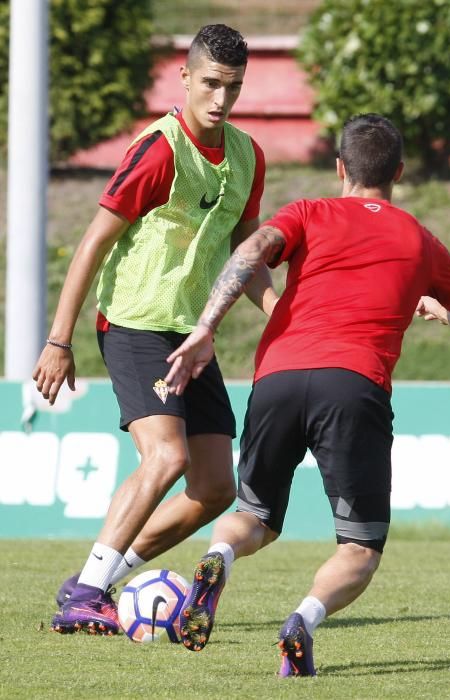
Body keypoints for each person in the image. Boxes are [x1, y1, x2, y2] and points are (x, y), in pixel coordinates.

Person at [164, 113, 450, 676]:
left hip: (277, 377)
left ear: (339, 169)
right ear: (398, 172)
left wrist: (207, 326)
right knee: (359, 548)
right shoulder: (422, 241)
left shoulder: (309, 211)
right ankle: (302, 619)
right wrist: (446, 312)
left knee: (253, 514)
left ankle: (217, 557)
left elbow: (253, 248)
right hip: (353, 386)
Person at [32, 23, 277, 635]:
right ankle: (88, 590)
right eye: (212, 84)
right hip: (136, 323)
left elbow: (246, 252)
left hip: (190, 336)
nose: (221, 100)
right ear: (186, 77)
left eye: (234, 88)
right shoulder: (160, 149)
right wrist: (58, 341)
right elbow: (91, 245)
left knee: (217, 486)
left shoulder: (248, 155)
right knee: (165, 456)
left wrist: (286, 314)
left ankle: (99, 580)